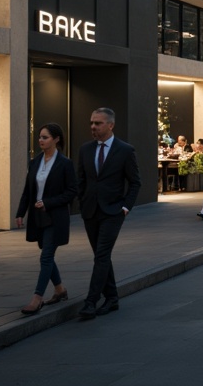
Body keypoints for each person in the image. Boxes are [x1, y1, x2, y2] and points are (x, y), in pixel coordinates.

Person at [76, 107, 141, 320]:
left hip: (113, 211)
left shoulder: (125, 150)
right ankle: (112, 297)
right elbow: (82, 180)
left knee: (102, 255)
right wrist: (81, 201)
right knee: (100, 256)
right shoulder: (85, 149)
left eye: (98, 123)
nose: (93, 127)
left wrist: (125, 207)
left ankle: (90, 302)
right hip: (90, 211)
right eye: (92, 123)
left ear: (110, 125)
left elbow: (135, 182)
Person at [15, 122, 78, 314]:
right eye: (40, 137)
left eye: (45, 137)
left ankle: (37, 298)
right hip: (37, 216)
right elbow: (28, 190)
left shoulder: (65, 164)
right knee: (47, 255)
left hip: (55, 216)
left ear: (56, 139)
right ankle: (60, 290)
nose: (40, 140)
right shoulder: (35, 162)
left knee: (46, 256)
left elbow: (72, 192)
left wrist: (48, 202)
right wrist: (20, 212)